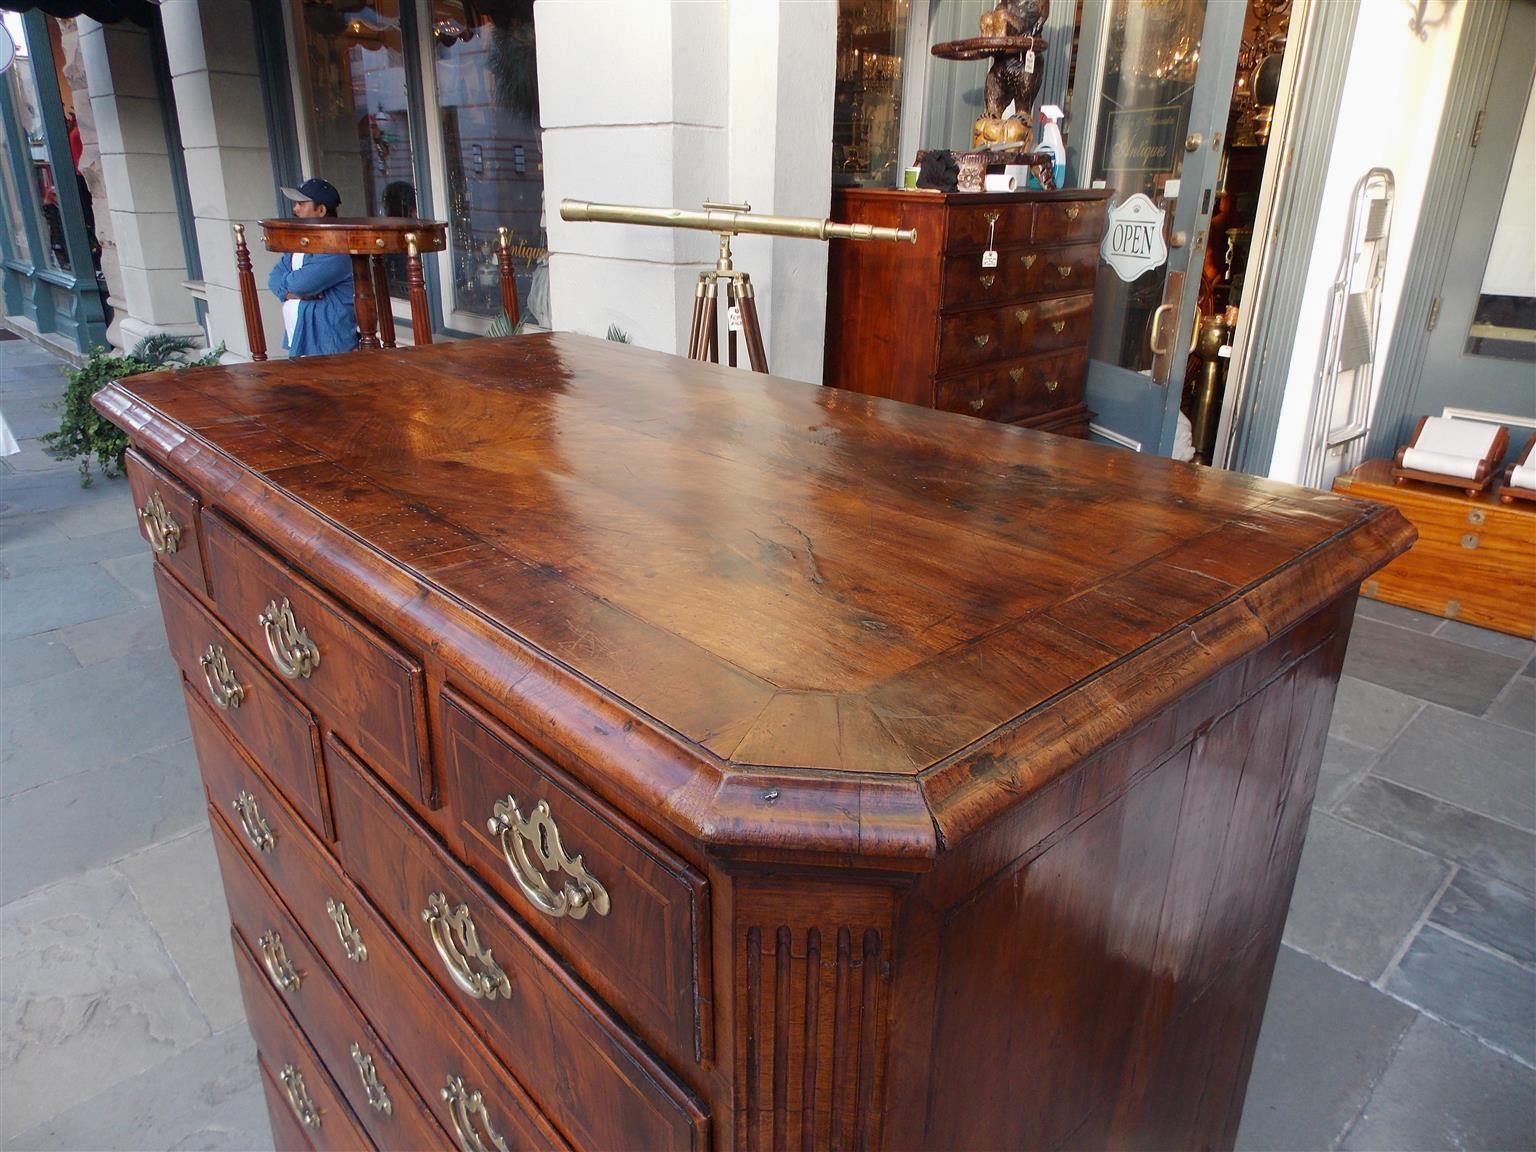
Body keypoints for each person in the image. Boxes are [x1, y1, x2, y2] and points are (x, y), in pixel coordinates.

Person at [267, 178, 358, 357]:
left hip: (328, 344)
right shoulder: (302, 243)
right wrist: (291, 292)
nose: (295, 209)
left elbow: (301, 284)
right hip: (304, 339)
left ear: (321, 210)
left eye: (301, 204)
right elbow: (273, 278)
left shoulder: (335, 248)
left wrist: (293, 288)